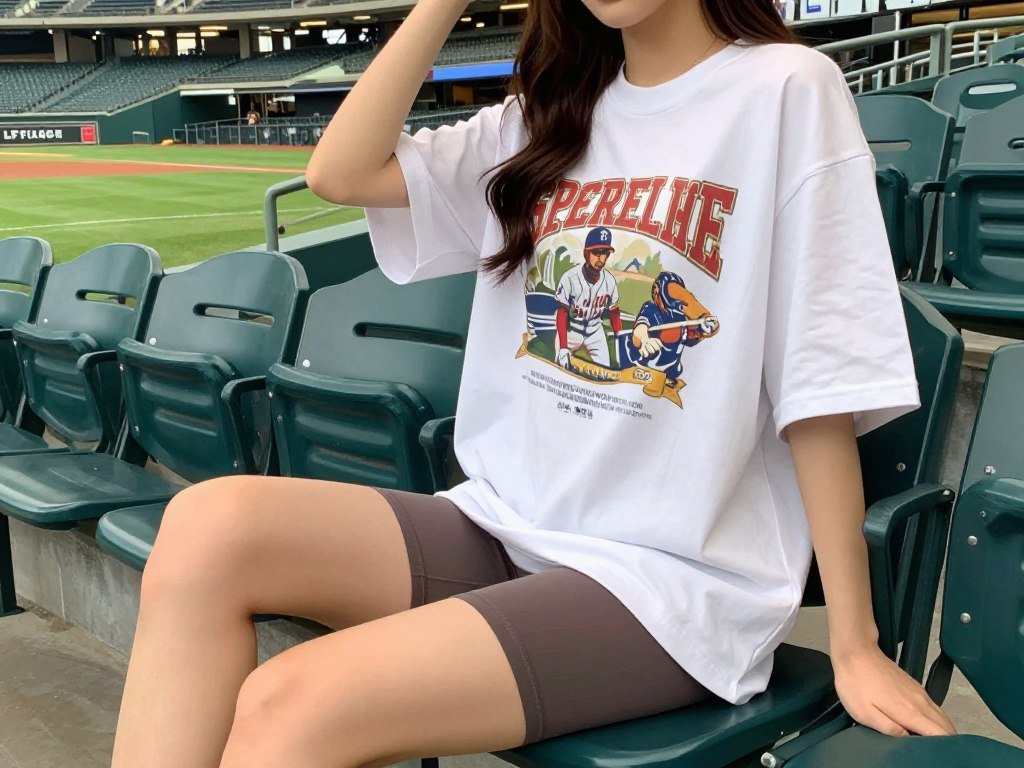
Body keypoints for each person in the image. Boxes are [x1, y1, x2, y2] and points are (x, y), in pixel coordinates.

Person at [110, 2, 958, 767]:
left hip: (665, 584)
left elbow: (821, 382)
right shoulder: (543, 117)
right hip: (504, 523)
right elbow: (341, 173)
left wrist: (855, 641)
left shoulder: (786, 91)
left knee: (292, 701)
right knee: (205, 529)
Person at [554, 226, 622, 369]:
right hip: (571, 330)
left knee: (605, 371)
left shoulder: (609, 281)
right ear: (586, 253)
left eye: (605, 253)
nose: (601, 258)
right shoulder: (570, 278)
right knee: (559, 367)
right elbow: (562, 312)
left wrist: (619, 337)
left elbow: (614, 311)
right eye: (597, 252)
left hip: (595, 331)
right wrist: (564, 347)